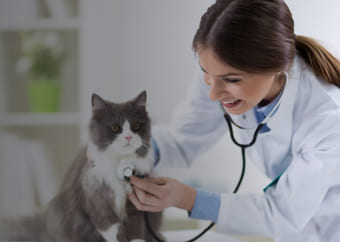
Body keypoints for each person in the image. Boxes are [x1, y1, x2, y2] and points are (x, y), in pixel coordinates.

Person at [128, 0, 340, 241]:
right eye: (206, 72)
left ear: (275, 68)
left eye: (232, 80)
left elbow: (282, 213)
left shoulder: (327, 119)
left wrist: (188, 198)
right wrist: (131, 148)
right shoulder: (219, 71)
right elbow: (183, 139)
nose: (213, 94)